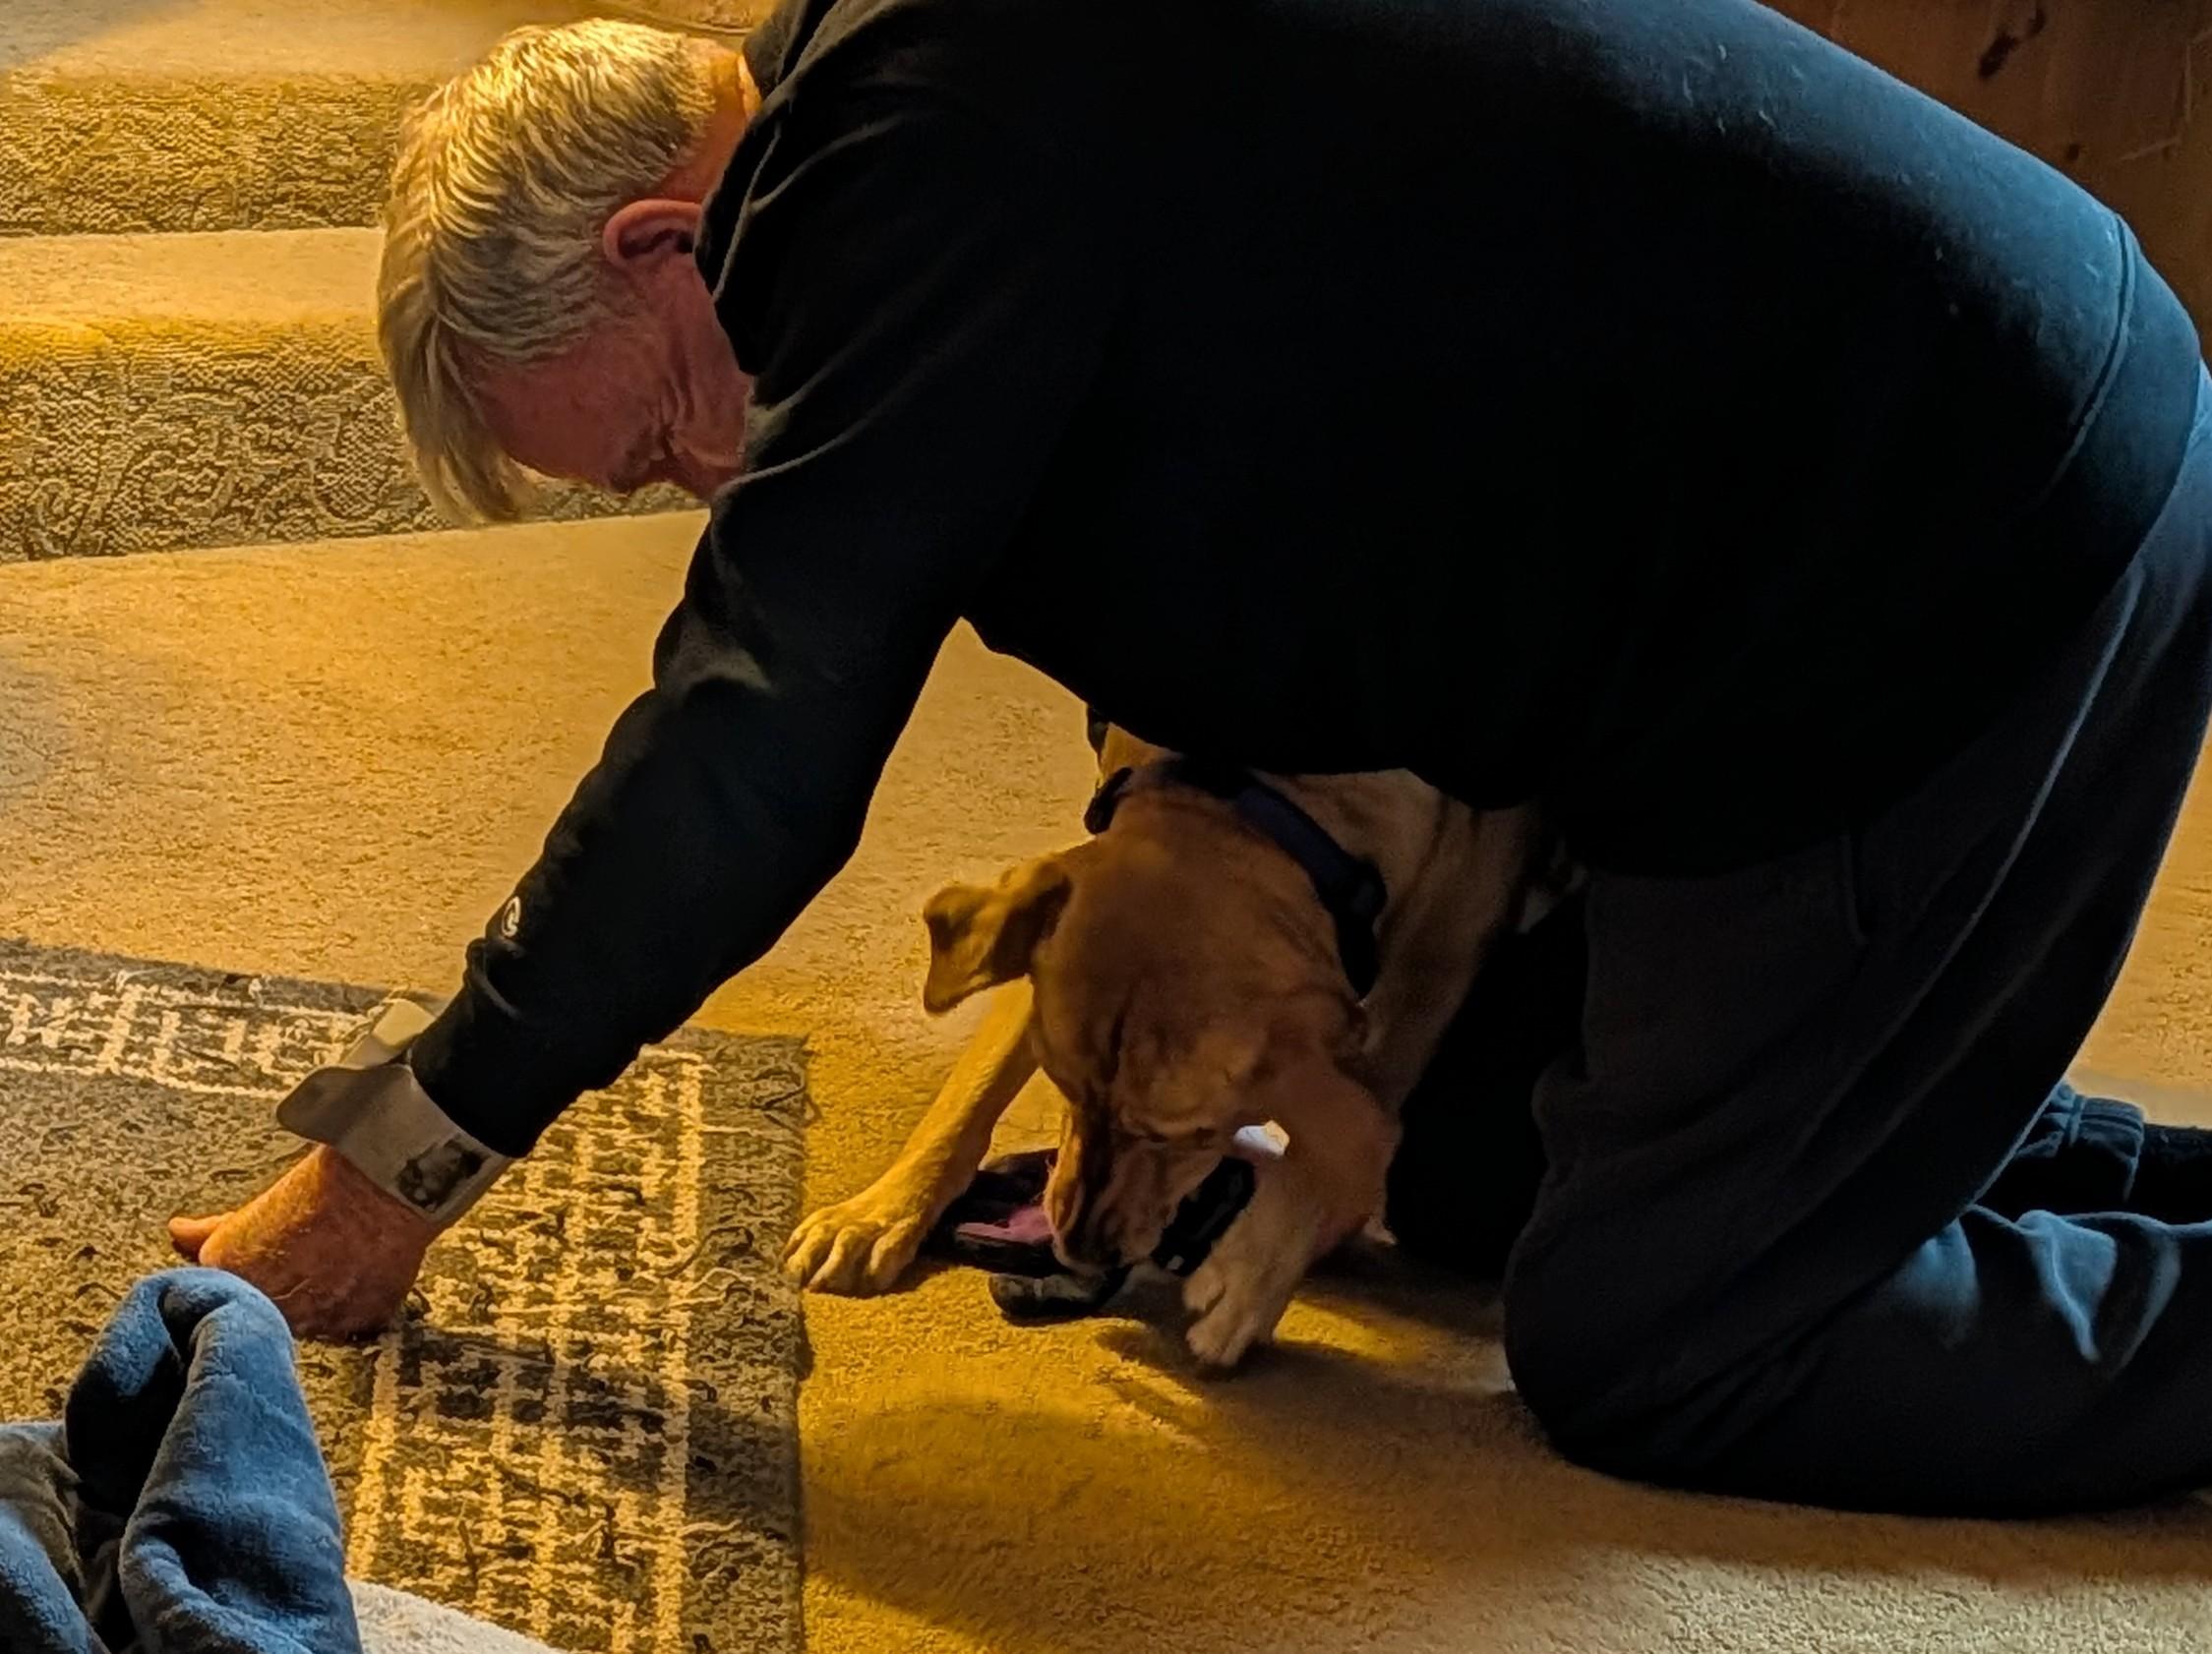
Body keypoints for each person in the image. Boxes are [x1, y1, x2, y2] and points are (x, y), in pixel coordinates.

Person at [167, 0, 2212, 1515]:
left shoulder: (919, 164)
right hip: (1784, 569)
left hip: (1955, 545)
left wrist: (397, 1162)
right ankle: (2010, 1154)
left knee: (1665, 1338)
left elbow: (752, 733)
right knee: (1476, 1166)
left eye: (653, 436)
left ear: (654, 242)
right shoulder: (940, 119)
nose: (711, 488)